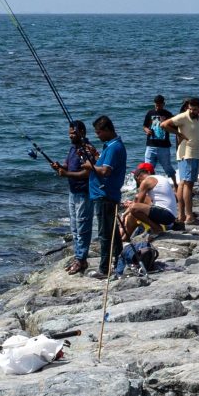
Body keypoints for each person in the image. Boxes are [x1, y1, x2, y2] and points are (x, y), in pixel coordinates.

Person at [81, 115, 126, 279]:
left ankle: (104, 269)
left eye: (99, 132)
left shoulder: (114, 147)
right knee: (113, 231)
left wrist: (89, 166)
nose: (97, 135)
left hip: (105, 195)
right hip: (105, 194)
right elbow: (104, 165)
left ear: (107, 130)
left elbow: (106, 171)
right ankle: (121, 261)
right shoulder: (111, 146)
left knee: (105, 234)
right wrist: (95, 158)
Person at [51, 119, 96, 274]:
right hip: (73, 192)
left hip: (84, 193)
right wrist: (60, 167)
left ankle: (81, 259)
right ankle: (78, 258)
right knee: (75, 228)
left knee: (83, 227)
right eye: (69, 133)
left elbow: (88, 172)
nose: (70, 136)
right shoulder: (73, 148)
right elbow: (68, 165)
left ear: (82, 132)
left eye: (73, 133)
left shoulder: (86, 150)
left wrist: (66, 174)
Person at [162, 97, 199, 224]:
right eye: (190, 109)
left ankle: (181, 215)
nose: (192, 111)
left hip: (195, 154)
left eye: (195, 109)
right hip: (187, 154)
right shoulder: (183, 117)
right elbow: (164, 124)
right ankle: (189, 215)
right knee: (188, 184)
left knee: (183, 183)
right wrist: (178, 134)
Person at [121, 161, 179, 237]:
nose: (138, 184)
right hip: (171, 216)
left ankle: (156, 228)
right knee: (133, 210)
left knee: (133, 209)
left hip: (166, 216)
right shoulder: (160, 178)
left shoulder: (146, 181)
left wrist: (126, 211)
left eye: (137, 181)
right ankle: (124, 237)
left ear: (139, 177)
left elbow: (137, 205)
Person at [141, 95, 176, 182]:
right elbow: (144, 126)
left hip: (164, 147)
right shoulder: (150, 113)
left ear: (163, 104)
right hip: (150, 145)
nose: (157, 107)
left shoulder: (168, 114)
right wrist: (146, 130)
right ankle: (150, 185)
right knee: (148, 167)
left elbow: (175, 127)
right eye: (156, 105)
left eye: (159, 105)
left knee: (167, 167)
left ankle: (175, 184)